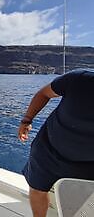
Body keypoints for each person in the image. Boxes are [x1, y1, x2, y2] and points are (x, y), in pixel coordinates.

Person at [18, 69, 94, 217]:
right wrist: (27, 120)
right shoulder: (78, 79)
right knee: (37, 189)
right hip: (47, 150)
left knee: (82, 203)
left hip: (89, 164)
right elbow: (44, 93)